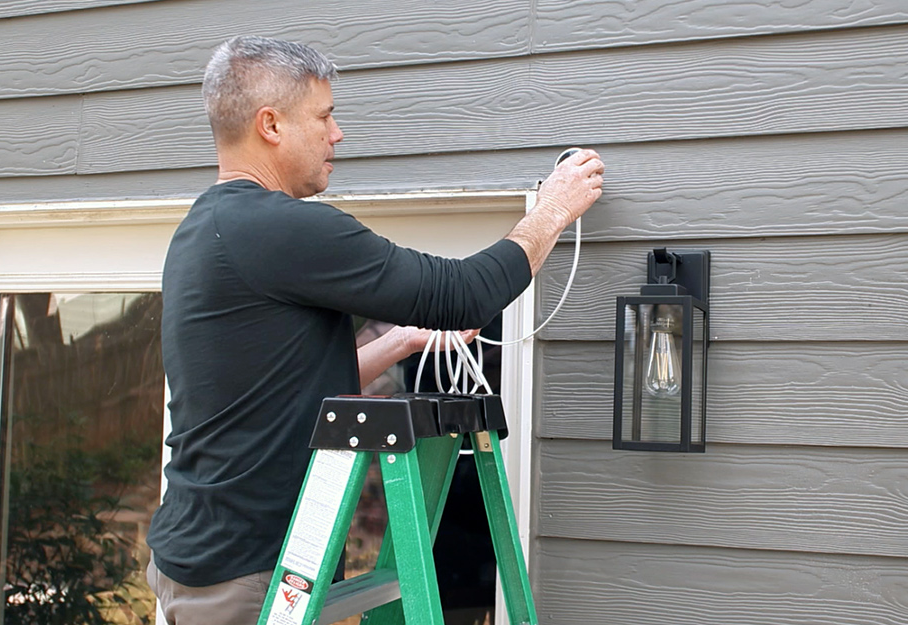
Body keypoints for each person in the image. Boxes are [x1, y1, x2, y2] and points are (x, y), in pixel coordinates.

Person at [145, 35, 604, 624]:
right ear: (271, 125)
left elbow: (271, 391)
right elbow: (462, 294)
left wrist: (401, 341)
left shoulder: (203, 231)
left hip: (201, 554)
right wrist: (551, 210)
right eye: (325, 116)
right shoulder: (283, 229)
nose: (336, 134)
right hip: (249, 576)